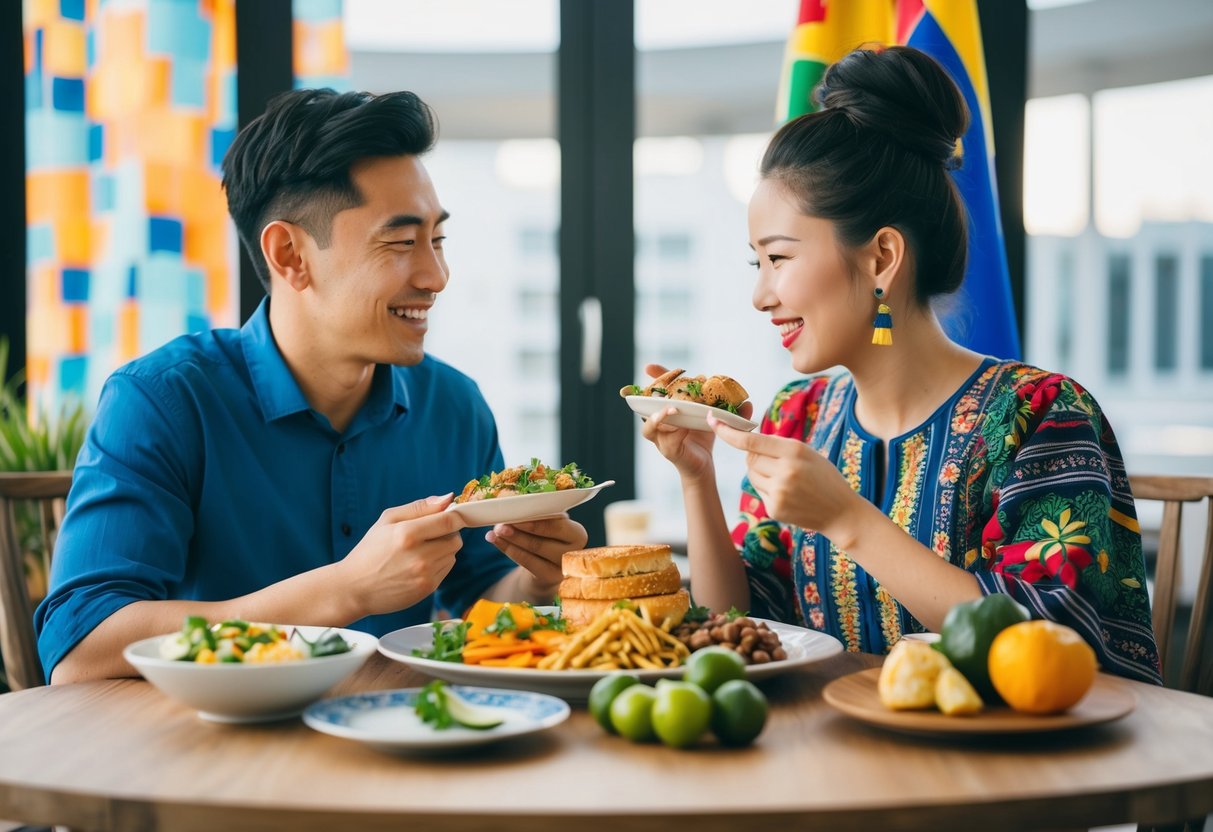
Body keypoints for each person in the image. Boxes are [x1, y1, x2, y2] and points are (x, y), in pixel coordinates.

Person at [641, 46, 1161, 684]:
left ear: (882, 255)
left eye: (779, 259)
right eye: (758, 264)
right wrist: (696, 476)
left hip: (998, 774)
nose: (761, 296)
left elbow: (1055, 649)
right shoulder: (796, 417)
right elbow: (738, 625)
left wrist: (848, 520)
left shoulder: (1040, 415)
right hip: (828, 767)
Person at [35, 89, 586, 684]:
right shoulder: (163, 402)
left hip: (402, 746)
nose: (436, 276)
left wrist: (535, 577)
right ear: (289, 254)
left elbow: (480, 595)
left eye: (438, 239)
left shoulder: (454, 407)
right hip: (217, 759)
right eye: (402, 242)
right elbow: (81, 648)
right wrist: (343, 590)